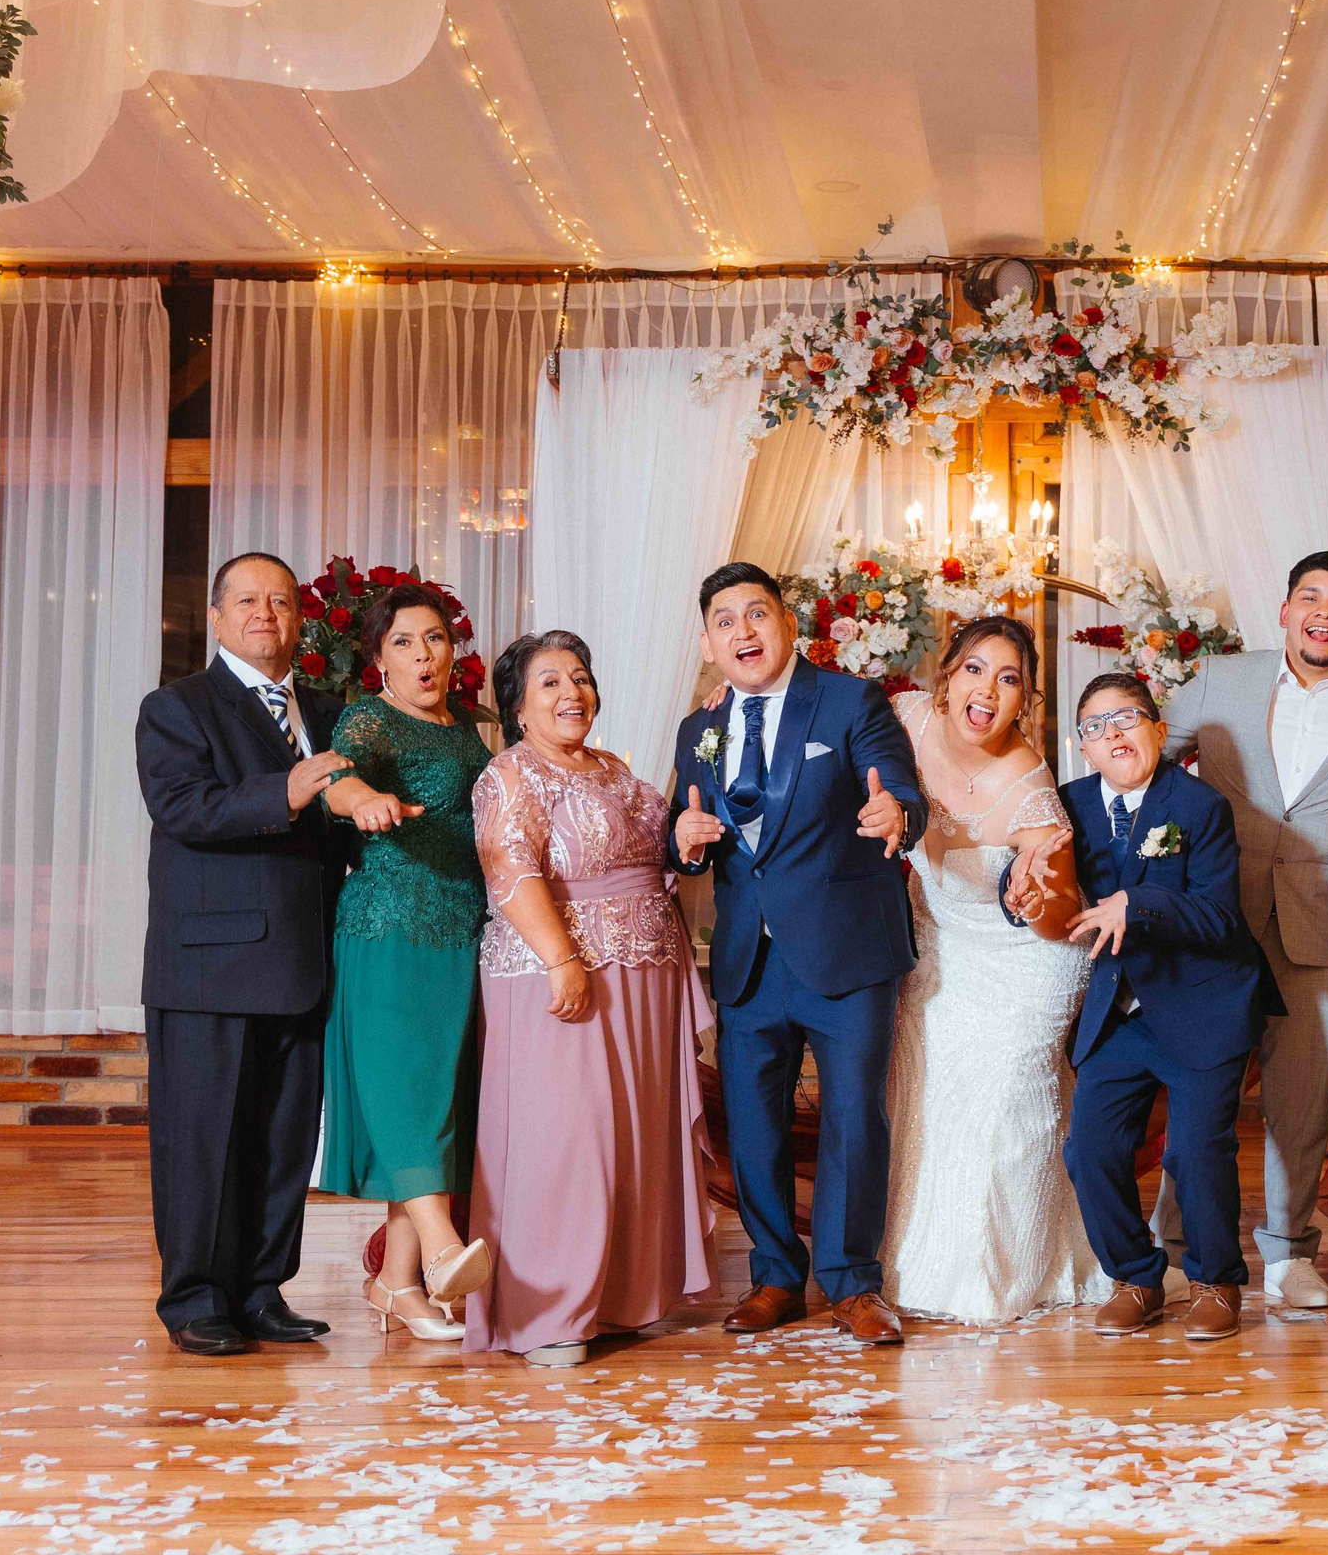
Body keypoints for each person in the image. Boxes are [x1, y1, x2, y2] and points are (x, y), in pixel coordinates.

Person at [667, 563, 927, 1345]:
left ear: (788, 624)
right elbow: (687, 831)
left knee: (853, 1115)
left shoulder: (851, 701)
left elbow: (904, 793)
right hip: (748, 955)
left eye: (757, 615)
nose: (742, 631)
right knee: (753, 1125)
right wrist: (680, 847)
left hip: (846, 950)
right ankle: (776, 1277)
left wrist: (896, 815)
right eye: (725, 620)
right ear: (709, 641)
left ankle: (852, 1283)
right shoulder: (698, 728)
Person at [1153, 551, 1328, 1309]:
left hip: (1326, 923)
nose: (1324, 613)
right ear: (1285, 610)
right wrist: (1161, 871)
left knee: (1302, 1108)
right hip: (1215, 920)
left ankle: (1290, 1255)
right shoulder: (1220, 680)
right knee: (1201, 1095)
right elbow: (1146, 773)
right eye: (1310, 597)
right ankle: (1171, 1249)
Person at [464, 632, 718, 1367]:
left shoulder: (613, 770)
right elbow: (509, 870)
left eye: (579, 677)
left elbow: (656, 852)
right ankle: (549, 1310)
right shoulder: (511, 774)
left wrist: (687, 837)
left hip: (642, 975)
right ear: (517, 707)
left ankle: (618, 1296)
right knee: (565, 1140)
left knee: (632, 1135)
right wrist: (562, 959)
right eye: (549, 683)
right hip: (560, 972)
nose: (571, 692)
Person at [133, 551, 351, 1357]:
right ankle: (193, 1300)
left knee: (282, 1136)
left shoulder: (327, 711)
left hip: (301, 961)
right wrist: (289, 790)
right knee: (202, 1139)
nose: (267, 613)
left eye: (283, 602)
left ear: (301, 621)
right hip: (208, 966)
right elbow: (182, 806)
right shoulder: (176, 708)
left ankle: (262, 1290)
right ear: (218, 618)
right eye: (248, 601)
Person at [881, 615, 1106, 1322]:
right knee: (933, 1105)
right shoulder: (905, 717)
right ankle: (918, 1263)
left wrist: (1032, 893)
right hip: (942, 946)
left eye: (1010, 680)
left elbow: (1060, 909)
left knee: (1004, 1104)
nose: (988, 691)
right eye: (976, 669)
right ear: (946, 675)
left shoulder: (1032, 792)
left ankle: (1004, 1269)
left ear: (1025, 701)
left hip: (1029, 962)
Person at [1053, 671, 1282, 1342]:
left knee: (1195, 1150)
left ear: (1158, 730)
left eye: (1128, 718)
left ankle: (1216, 1282)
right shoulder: (1068, 806)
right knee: (1088, 1149)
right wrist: (1022, 883)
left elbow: (1217, 917)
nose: (1114, 733)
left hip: (1203, 1001)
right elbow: (1033, 868)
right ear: (1083, 748)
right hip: (1120, 1010)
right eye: (1096, 725)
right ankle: (1136, 1277)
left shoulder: (1200, 805)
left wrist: (1138, 902)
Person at [313, 582, 497, 1342]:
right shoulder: (370, 718)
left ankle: (398, 1286)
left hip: (463, 932)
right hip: (389, 932)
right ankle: (448, 1249)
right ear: (377, 659)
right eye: (403, 643)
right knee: (404, 1098)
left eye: (435, 639)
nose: (424, 656)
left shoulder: (471, 729)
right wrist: (361, 800)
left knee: (440, 1101)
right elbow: (335, 774)